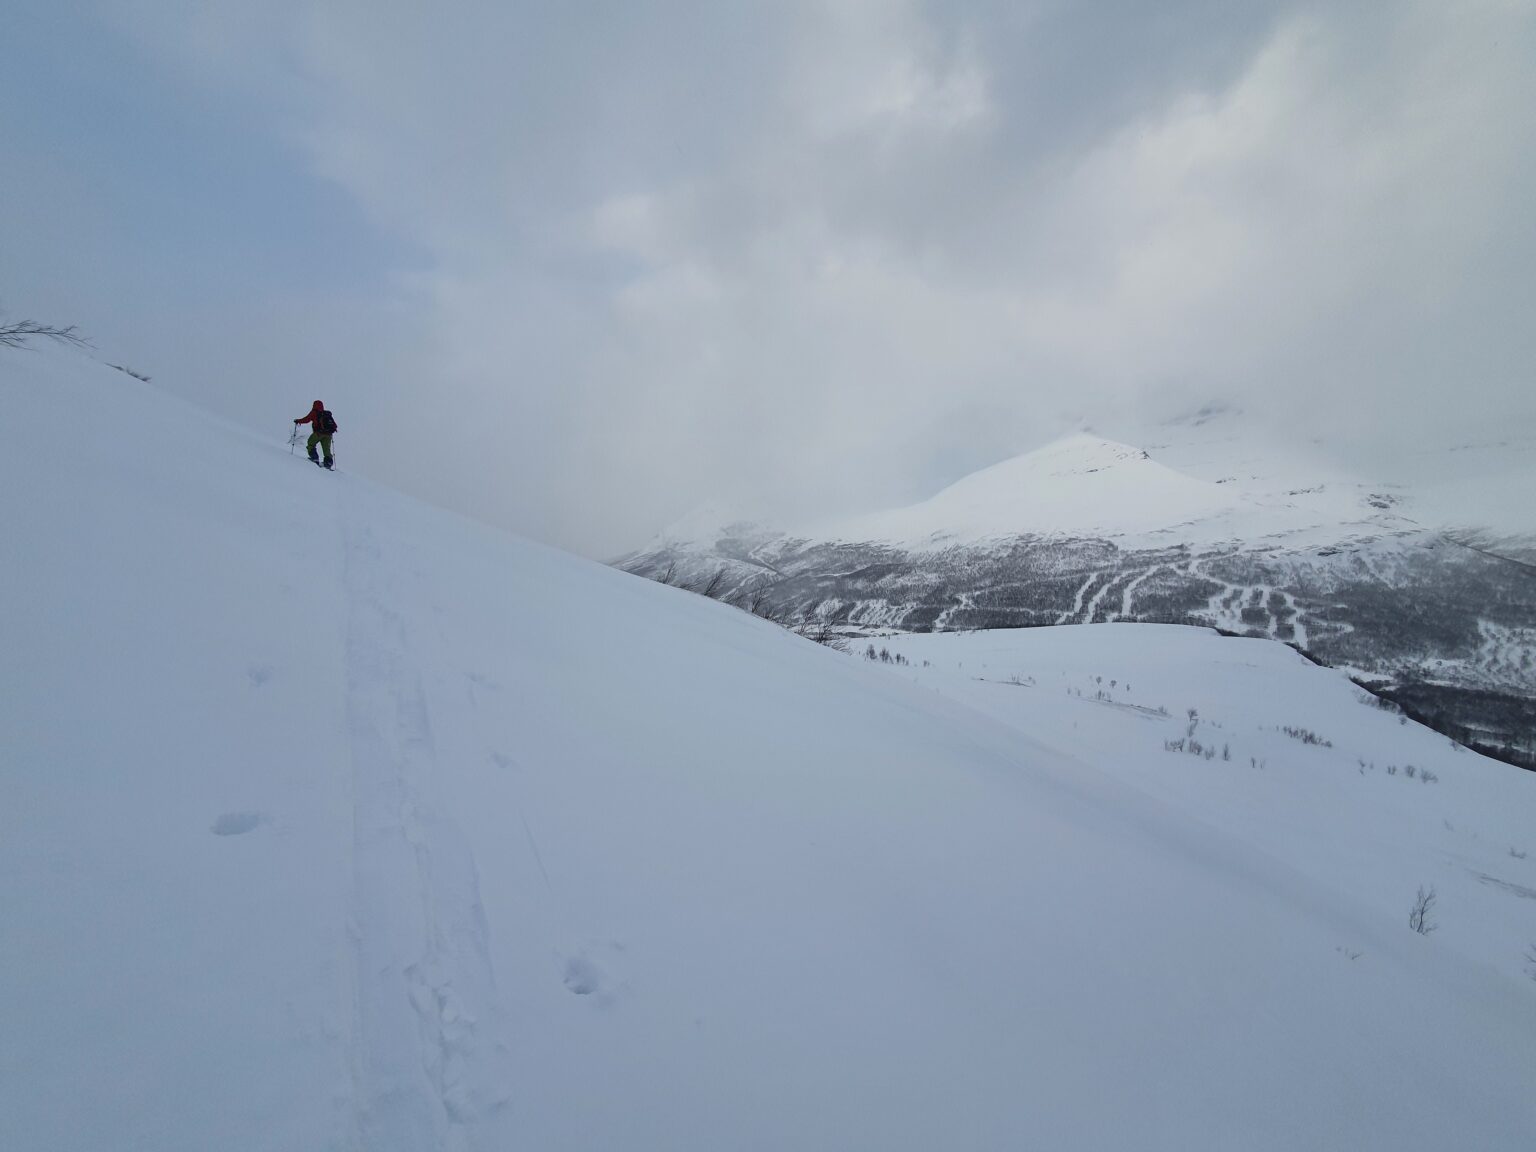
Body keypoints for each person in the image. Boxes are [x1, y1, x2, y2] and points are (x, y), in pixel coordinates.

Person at [293, 400, 338, 469]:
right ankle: (328, 463)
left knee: (310, 443)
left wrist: (298, 421)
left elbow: (307, 419)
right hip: (328, 435)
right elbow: (335, 425)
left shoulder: (314, 412)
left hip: (319, 433)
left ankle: (314, 458)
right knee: (326, 449)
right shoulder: (326, 414)